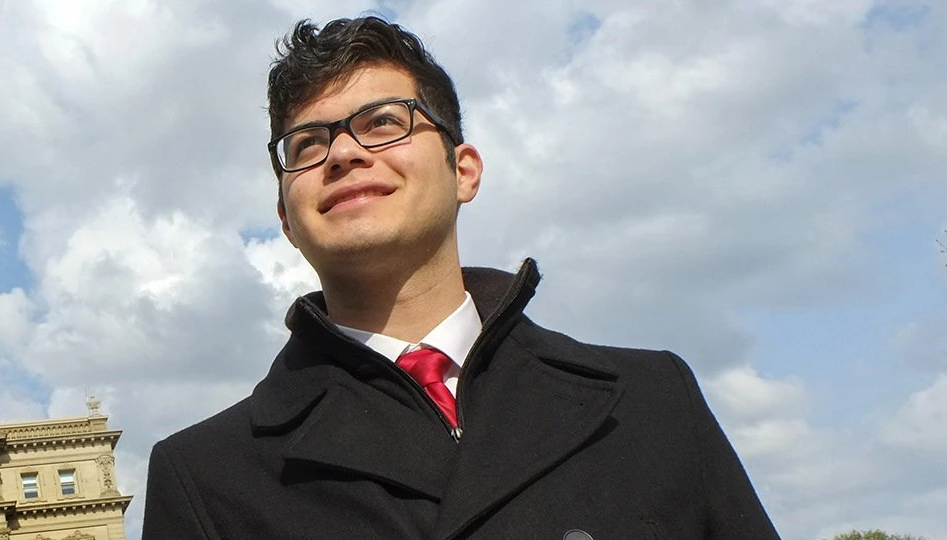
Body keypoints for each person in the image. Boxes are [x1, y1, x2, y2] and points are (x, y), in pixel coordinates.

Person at [141, 16, 779, 539]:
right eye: (306, 145)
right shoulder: (203, 477)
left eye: (383, 121)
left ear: (464, 170)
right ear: (286, 217)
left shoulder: (651, 399)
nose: (341, 153)